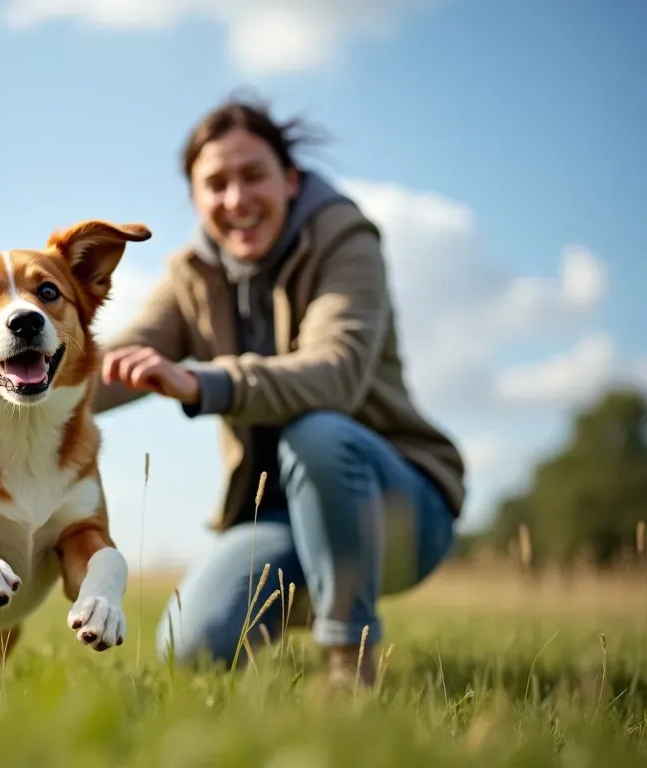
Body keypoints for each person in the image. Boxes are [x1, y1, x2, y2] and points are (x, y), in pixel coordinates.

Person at [90, 94, 466, 688]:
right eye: (215, 184)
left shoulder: (346, 240)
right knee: (186, 652)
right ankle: (317, 590)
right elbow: (118, 360)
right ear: (195, 200)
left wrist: (202, 380)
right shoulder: (191, 273)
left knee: (316, 434)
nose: (236, 198)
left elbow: (336, 371)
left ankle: (349, 662)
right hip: (278, 518)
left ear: (290, 180)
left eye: (253, 175)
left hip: (396, 509)